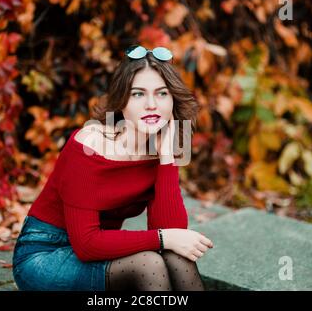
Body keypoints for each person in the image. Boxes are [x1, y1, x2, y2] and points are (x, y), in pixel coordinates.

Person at [12, 45, 214, 291]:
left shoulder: (161, 145)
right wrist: (164, 238)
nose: (152, 104)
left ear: (173, 99)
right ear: (121, 101)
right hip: (45, 255)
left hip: (104, 250)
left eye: (162, 93)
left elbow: (169, 228)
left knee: (176, 255)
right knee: (149, 263)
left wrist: (166, 158)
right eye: (138, 94)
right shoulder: (89, 146)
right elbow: (86, 244)